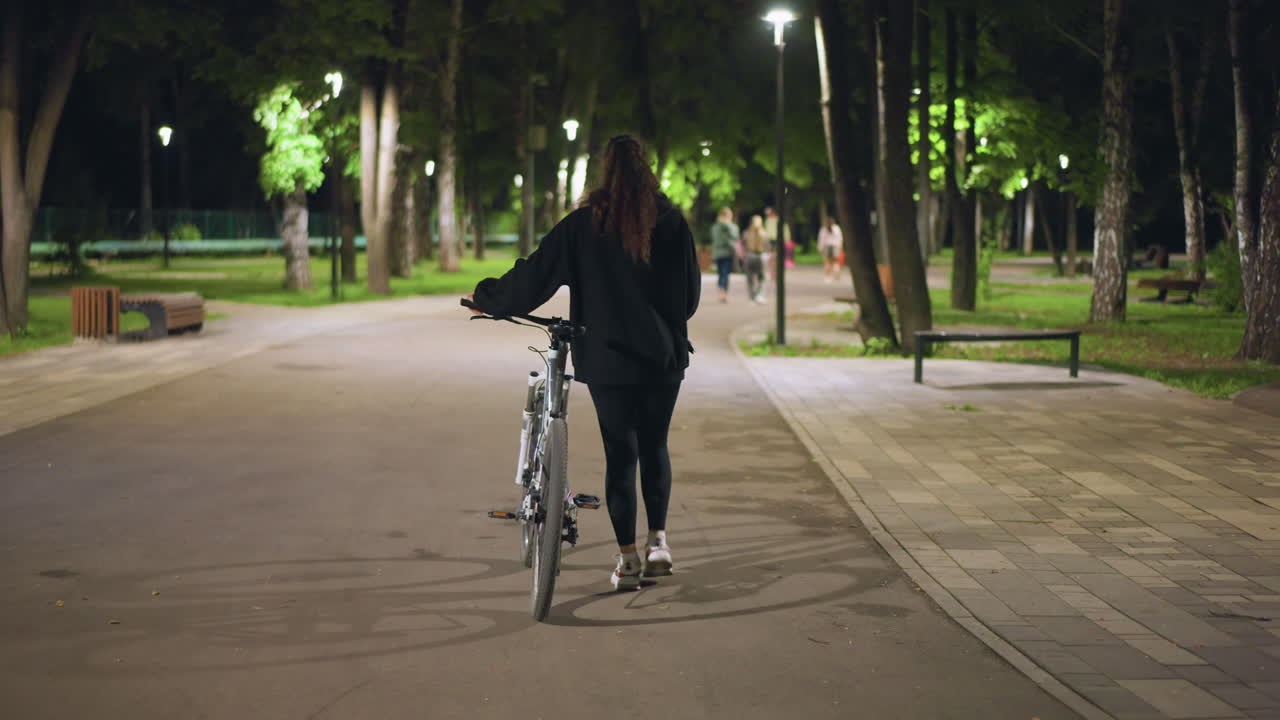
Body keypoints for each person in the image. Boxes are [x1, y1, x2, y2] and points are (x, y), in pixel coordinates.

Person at [466, 134, 700, 591]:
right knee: (655, 447)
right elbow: (689, 299)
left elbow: (533, 278)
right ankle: (659, 545)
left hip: (609, 360)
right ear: (647, 172)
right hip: (661, 358)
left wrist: (488, 297)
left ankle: (627, 559)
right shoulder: (672, 224)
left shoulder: (583, 226)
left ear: (603, 175)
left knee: (621, 454)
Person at [709, 207, 738, 303]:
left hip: (721, 253)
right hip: (724, 253)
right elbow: (734, 236)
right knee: (724, 274)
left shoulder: (716, 227)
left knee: (722, 274)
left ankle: (722, 292)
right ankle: (723, 293)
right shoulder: (719, 227)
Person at [742, 214, 768, 303]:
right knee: (762, 278)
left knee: (750, 278)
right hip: (761, 256)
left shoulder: (746, 233)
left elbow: (743, 245)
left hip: (749, 256)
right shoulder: (764, 234)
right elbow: (767, 246)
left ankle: (752, 296)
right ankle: (759, 295)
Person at [817, 215, 843, 283]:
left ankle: (828, 276)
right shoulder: (837, 228)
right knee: (836, 262)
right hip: (835, 246)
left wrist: (820, 248)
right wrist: (840, 247)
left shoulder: (823, 229)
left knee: (827, 262)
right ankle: (837, 276)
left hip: (827, 246)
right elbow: (840, 239)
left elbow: (821, 240)